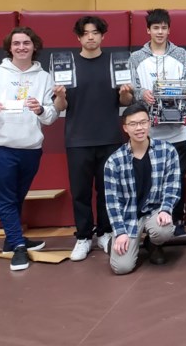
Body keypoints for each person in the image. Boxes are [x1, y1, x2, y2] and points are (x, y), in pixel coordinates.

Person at [0, 26, 59, 271]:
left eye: (26, 43)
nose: (21, 47)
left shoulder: (45, 78)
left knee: (17, 197)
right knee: (7, 199)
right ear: (9, 47)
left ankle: (12, 239)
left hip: (31, 148)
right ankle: (19, 247)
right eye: (17, 43)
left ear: (34, 47)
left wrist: (40, 109)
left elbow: (51, 116)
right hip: (1, 148)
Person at [51, 16, 134, 262]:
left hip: (109, 136)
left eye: (95, 33)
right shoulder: (67, 64)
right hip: (77, 138)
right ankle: (84, 236)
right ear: (78, 37)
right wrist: (60, 95)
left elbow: (125, 102)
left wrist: (126, 93)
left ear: (102, 36)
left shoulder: (115, 62)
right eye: (85, 33)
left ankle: (105, 233)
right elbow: (60, 106)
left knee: (108, 190)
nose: (90, 37)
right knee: (81, 192)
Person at [128, 8, 186, 236]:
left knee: (178, 177)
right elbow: (130, 88)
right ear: (148, 30)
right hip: (149, 133)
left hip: (179, 131)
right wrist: (141, 94)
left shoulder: (181, 55)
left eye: (164, 27)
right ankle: (149, 224)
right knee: (150, 178)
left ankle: (176, 222)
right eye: (155, 27)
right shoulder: (136, 58)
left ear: (169, 29)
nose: (160, 32)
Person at [103, 103, 181, 274]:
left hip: (155, 211)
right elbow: (112, 202)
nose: (139, 128)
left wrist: (166, 210)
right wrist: (120, 232)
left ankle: (153, 243)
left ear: (150, 123)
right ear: (125, 128)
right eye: (133, 124)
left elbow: (172, 186)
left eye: (143, 122)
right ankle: (114, 241)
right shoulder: (114, 161)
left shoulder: (167, 151)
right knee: (121, 268)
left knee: (163, 230)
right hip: (129, 217)